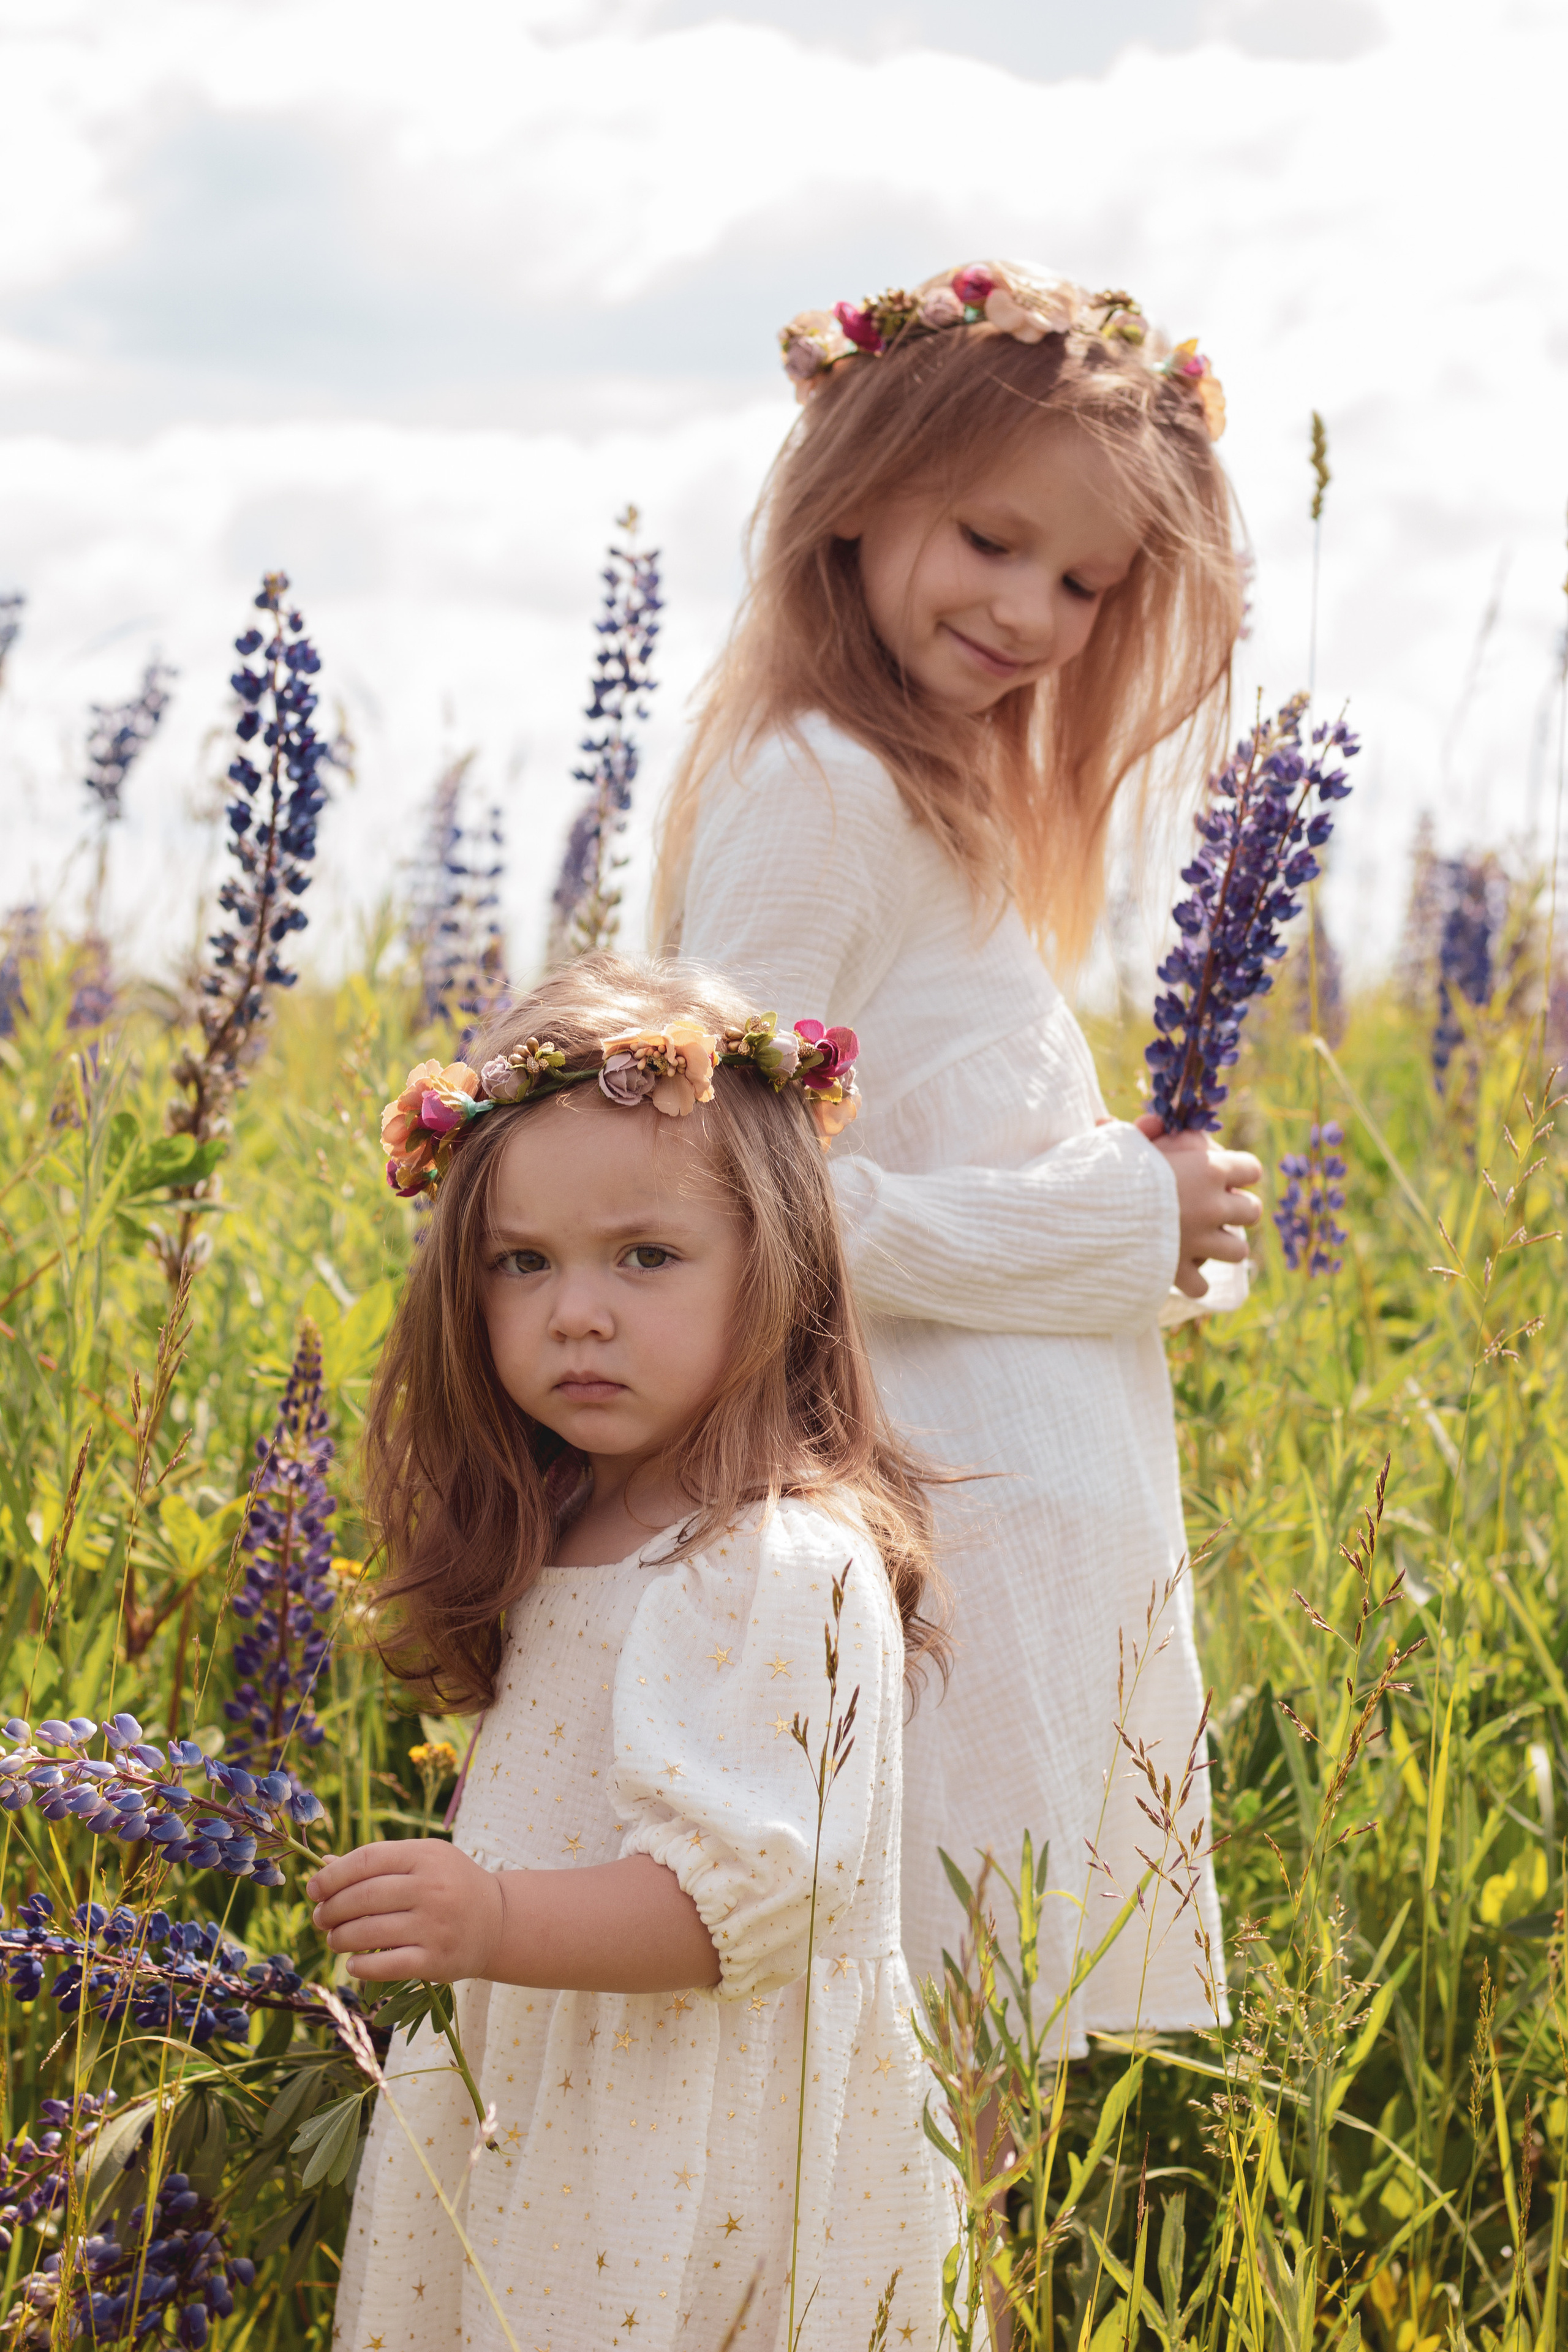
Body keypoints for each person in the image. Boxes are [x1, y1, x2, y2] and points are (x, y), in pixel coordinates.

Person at [653, 260, 1263, 2043]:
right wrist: (1111, 1223)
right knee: (918, 2096)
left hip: (1020, 1538)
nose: (1033, 611)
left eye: (1082, 582)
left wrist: (1134, 1203)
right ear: (858, 496)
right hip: (935, 1542)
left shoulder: (920, 786)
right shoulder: (821, 789)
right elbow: (721, 1191)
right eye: (994, 540)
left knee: (976, 2108)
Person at [323, 956, 952, 2352]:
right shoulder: (563, 1529)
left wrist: (490, 1923)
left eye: (645, 1257)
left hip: (699, 2143)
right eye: (522, 1264)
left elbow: (750, 1903)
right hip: (541, 2103)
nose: (576, 1312)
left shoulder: (777, 1563)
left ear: (775, 1264)